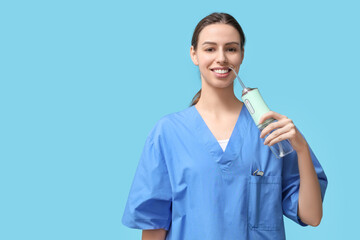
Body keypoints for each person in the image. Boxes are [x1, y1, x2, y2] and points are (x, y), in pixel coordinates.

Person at [122, 12, 328, 240]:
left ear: (241, 55)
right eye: (210, 49)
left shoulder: (271, 132)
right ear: (194, 54)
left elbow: (312, 217)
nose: (221, 58)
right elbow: (153, 225)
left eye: (231, 49)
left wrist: (301, 147)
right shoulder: (168, 133)